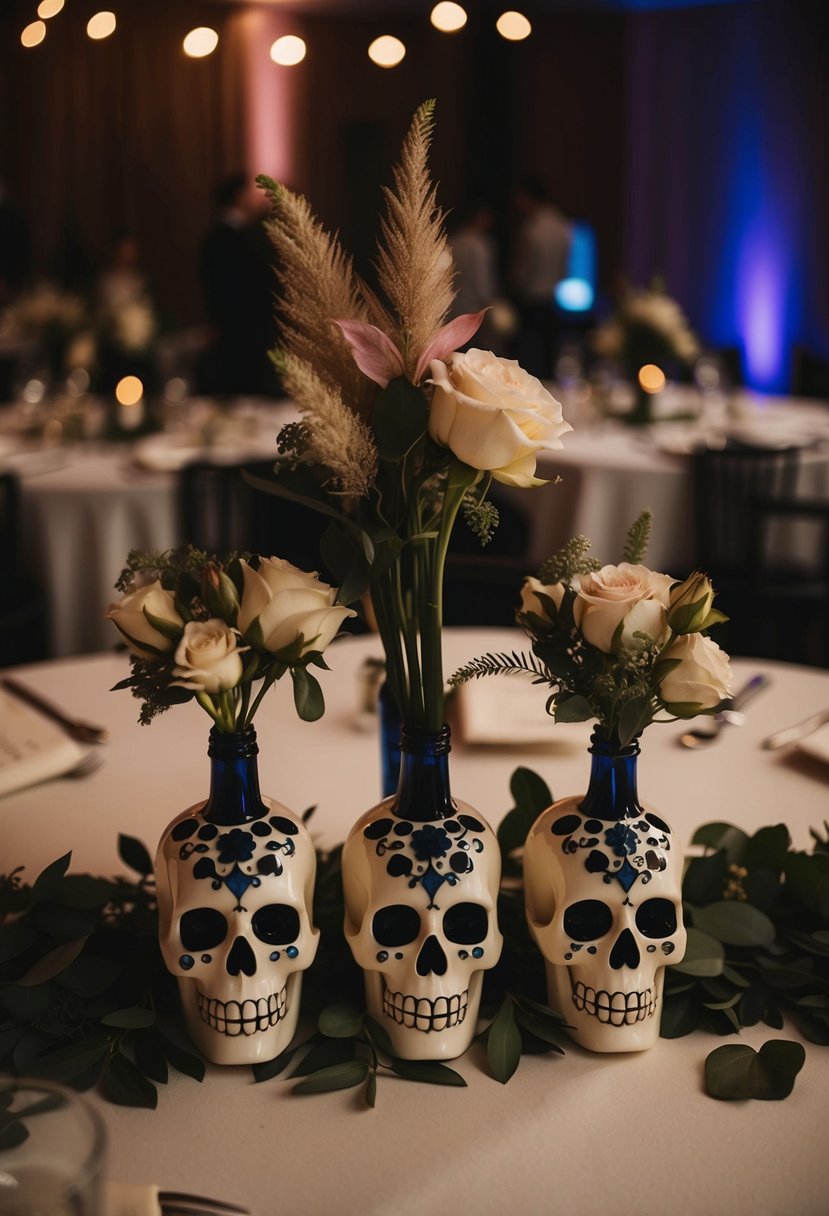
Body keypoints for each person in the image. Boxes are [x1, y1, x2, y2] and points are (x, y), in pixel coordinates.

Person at [197, 173, 278, 398]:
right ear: (239, 196)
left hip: (229, 332)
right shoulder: (242, 238)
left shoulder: (214, 237)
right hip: (247, 334)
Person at [509, 176, 573, 379]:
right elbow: (565, 269)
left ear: (529, 198)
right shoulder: (564, 226)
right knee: (548, 366)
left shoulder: (532, 229)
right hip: (553, 304)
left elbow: (522, 273)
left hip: (531, 304)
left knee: (528, 368)